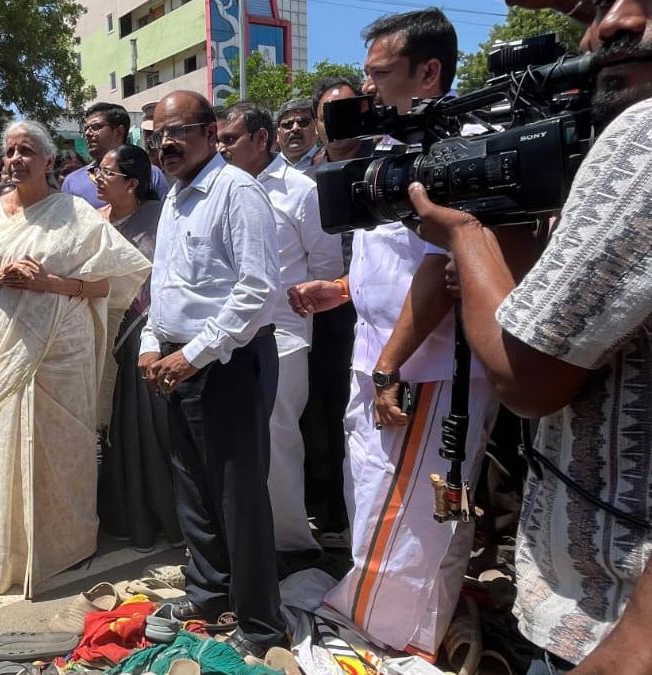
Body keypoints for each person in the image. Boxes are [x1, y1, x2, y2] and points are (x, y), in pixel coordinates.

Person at [405, 1, 652, 673]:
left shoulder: (642, 133)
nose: (613, 23)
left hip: (606, 619)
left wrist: (465, 235)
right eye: (599, 3)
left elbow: (526, 375)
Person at [288, 9, 499, 657]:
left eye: (379, 73)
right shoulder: (391, 144)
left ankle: (394, 643)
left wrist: (390, 367)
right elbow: (392, 261)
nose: (367, 87)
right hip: (380, 358)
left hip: (425, 369)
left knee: (408, 516)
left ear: (428, 72)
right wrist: (342, 290)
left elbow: (440, 269)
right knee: (375, 497)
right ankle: (396, 627)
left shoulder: (463, 144)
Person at [0, 119, 150, 596]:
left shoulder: (76, 212)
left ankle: (68, 544)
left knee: (64, 446)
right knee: (3, 440)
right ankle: (10, 550)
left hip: (63, 350)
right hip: (4, 344)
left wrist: (50, 283)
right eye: (10, 151)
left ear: (48, 160)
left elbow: (112, 282)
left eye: (26, 150)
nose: (16, 159)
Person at [137, 90, 286, 663]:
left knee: (237, 495)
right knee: (194, 488)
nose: (166, 144)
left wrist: (193, 355)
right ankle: (208, 592)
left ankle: (261, 623)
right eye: (157, 136)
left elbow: (256, 291)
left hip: (226, 363)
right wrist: (153, 344)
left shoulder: (236, 191)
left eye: (177, 131)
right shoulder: (175, 196)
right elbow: (165, 284)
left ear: (210, 131)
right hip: (177, 362)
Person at [216, 102, 344, 565]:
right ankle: (244, 540)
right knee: (235, 442)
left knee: (277, 438)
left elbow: (327, 267)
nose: (221, 148)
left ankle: (289, 546)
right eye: (219, 140)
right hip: (226, 335)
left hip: (284, 335)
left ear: (260, 139)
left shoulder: (302, 191)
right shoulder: (220, 189)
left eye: (230, 139)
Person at [91, 144, 182, 553]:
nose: (97, 178)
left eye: (106, 172)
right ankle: (128, 518)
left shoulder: (161, 218)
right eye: (97, 171)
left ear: (131, 183)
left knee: (150, 432)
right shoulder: (94, 222)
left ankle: (168, 518)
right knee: (116, 433)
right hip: (104, 337)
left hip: (148, 338)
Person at [299, 75, 369, 546]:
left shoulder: (385, 164)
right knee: (321, 409)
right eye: (329, 113)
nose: (338, 122)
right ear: (317, 122)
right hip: (321, 312)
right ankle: (328, 511)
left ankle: (363, 511)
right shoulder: (305, 178)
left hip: (371, 310)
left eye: (349, 110)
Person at [60, 102, 169, 207]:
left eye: (96, 127)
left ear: (119, 132)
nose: (88, 133)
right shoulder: (72, 182)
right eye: (86, 129)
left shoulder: (151, 173)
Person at [275, 98, 319, 177]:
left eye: (303, 122)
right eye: (288, 124)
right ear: (278, 134)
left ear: (316, 127)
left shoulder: (330, 160)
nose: (295, 128)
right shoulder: (266, 168)